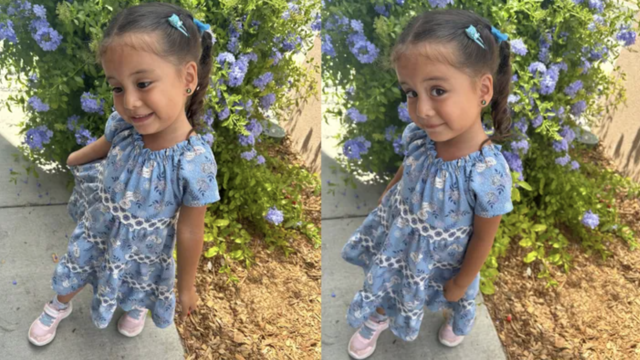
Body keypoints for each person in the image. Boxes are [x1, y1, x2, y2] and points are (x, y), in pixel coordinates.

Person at [28, 2, 219, 346]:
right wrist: (76, 157)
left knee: (137, 280)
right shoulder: (125, 126)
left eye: (143, 83)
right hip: (100, 228)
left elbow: (191, 229)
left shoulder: (195, 162)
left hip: (144, 247)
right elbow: (104, 144)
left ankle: (136, 308)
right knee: (78, 265)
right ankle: (59, 304)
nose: (129, 102)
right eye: (118, 88)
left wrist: (186, 287)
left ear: (187, 78)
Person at [342, 9, 515, 359]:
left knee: (452, 295)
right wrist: (389, 192)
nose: (421, 110)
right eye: (410, 92)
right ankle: (379, 316)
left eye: (437, 90)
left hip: (446, 258)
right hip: (401, 237)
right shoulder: (421, 138)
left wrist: (462, 281)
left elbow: (484, 235)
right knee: (391, 283)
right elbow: (409, 167)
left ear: (483, 89)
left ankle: (458, 320)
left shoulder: (488, 173)